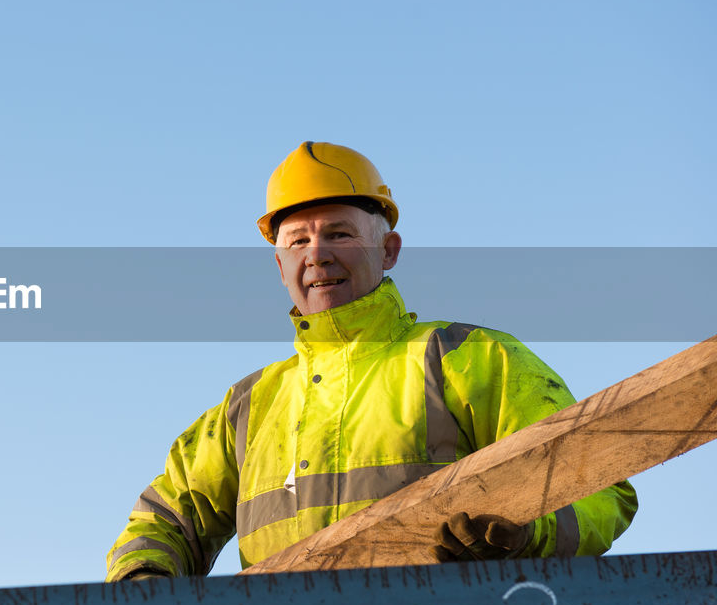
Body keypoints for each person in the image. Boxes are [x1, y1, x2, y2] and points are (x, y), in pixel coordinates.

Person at [105, 141, 637, 580]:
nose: (317, 254)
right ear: (280, 263)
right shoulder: (249, 406)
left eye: (339, 234)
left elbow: (601, 484)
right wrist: (145, 596)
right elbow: (164, 521)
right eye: (298, 240)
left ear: (389, 251)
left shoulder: (469, 359)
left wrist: (530, 534)